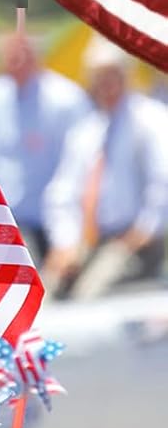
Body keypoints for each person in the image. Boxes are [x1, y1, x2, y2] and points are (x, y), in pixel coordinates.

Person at [40, 37, 168, 300]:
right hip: (90, 240)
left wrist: (143, 231)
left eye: (111, 76)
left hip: (136, 242)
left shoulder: (150, 121)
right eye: (99, 78)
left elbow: (162, 182)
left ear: (126, 76)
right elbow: (62, 193)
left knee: (90, 294)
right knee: (47, 289)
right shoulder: (88, 131)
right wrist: (65, 244)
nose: (105, 86)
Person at [0, 28, 90, 261]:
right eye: (11, 54)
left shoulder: (66, 99)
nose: (17, 61)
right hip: (6, 219)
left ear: (37, 55)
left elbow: (80, 165)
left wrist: (71, 232)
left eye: (23, 53)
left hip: (56, 220)